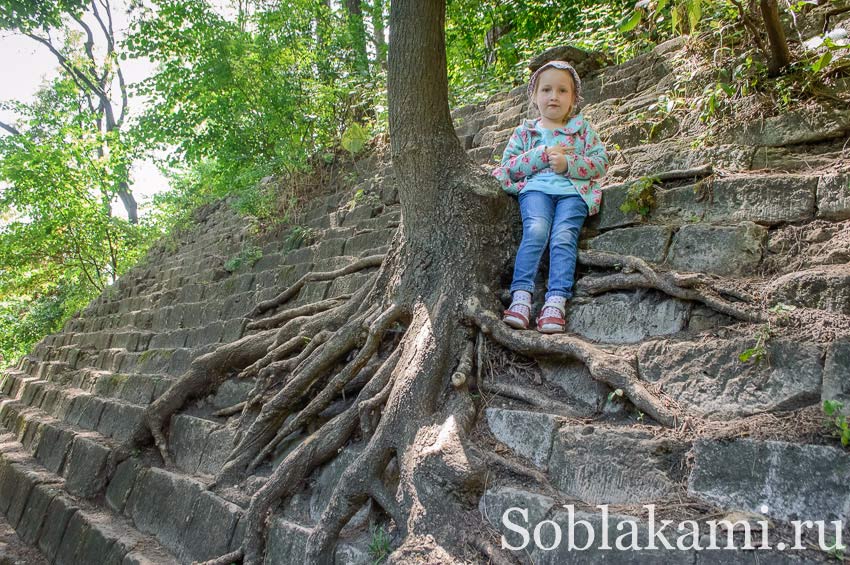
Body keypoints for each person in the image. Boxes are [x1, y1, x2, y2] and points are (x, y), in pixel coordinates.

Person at [493, 60, 609, 333]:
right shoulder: (526, 133)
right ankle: (521, 297)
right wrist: (542, 156)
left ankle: (556, 302)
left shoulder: (583, 131)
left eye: (562, 91)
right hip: (536, 192)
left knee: (563, 236)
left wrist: (569, 165)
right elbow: (505, 170)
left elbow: (601, 163)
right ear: (534, 96)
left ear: (573, 99)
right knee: (536, 230)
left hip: (573, 194)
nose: (553, 96)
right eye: (546, 90)